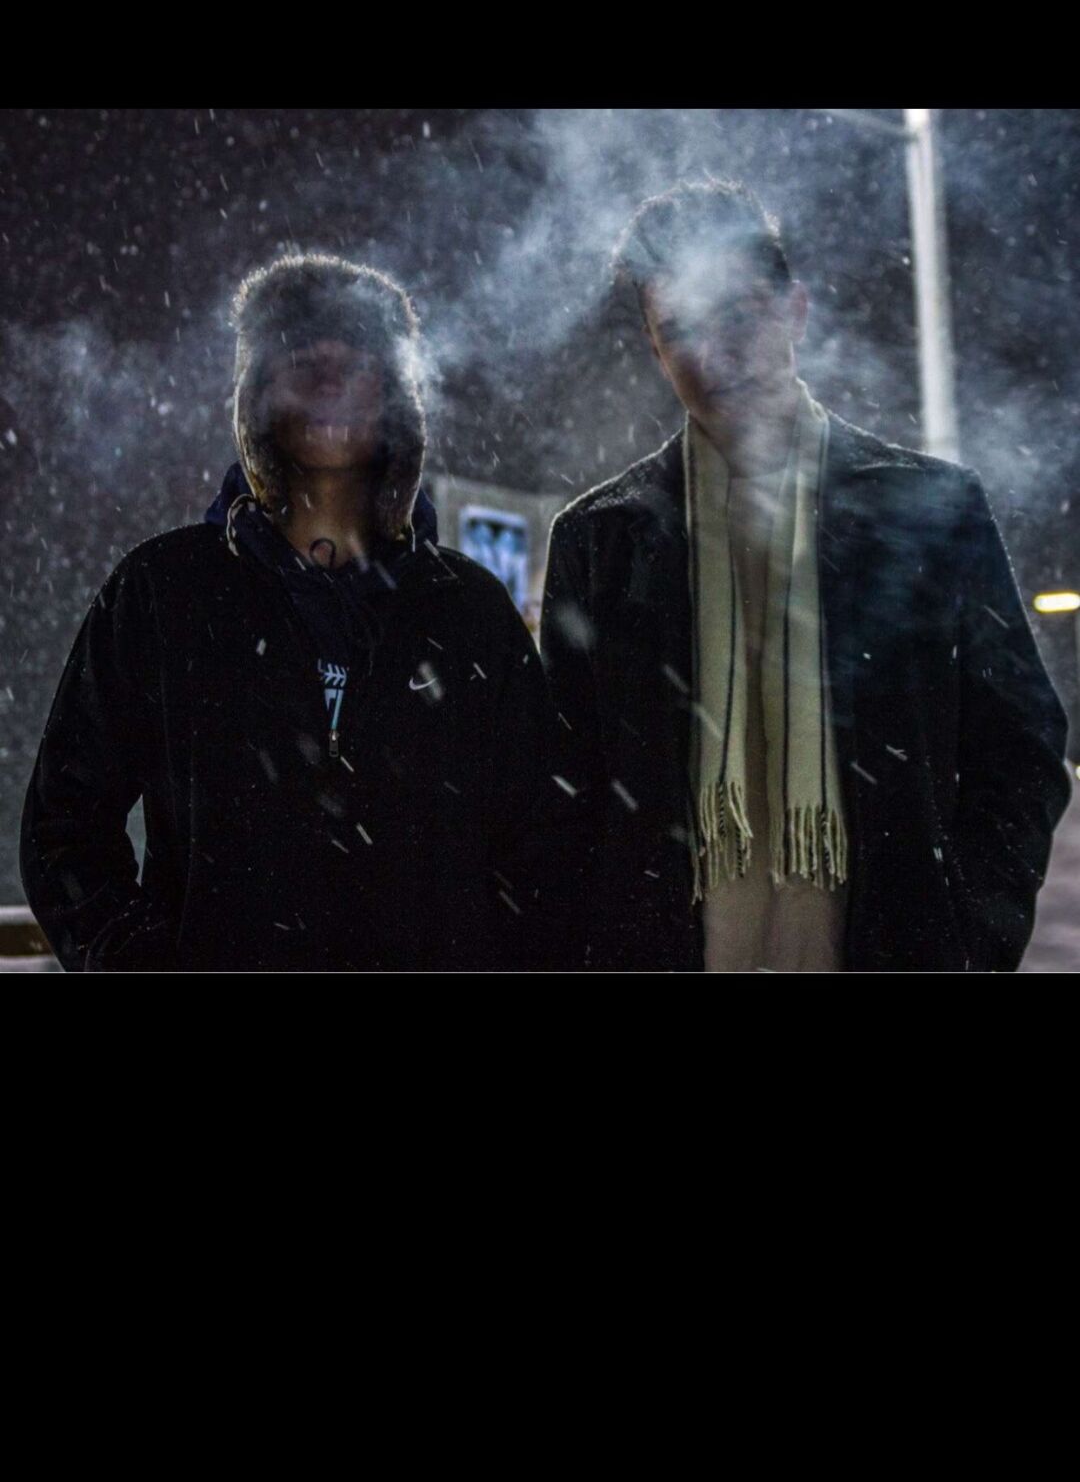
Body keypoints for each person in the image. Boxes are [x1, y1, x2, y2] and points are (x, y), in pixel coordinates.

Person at [540, 178, 1071, 972]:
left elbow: (1022, 747)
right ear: (654, 348)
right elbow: (562, 790)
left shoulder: (929, 511)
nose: (713, 355)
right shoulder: (600, 541)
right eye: (680, 329)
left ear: (795, 310)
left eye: (737, 314)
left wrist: (966, 938)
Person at [21, 251, 571, 971]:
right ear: (256, 392)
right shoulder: (165, 592)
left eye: (354, 361)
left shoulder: (468, 610)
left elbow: (542, 848)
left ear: (397, 393)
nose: (328, 382)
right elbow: (64, 827)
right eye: (301, 360)